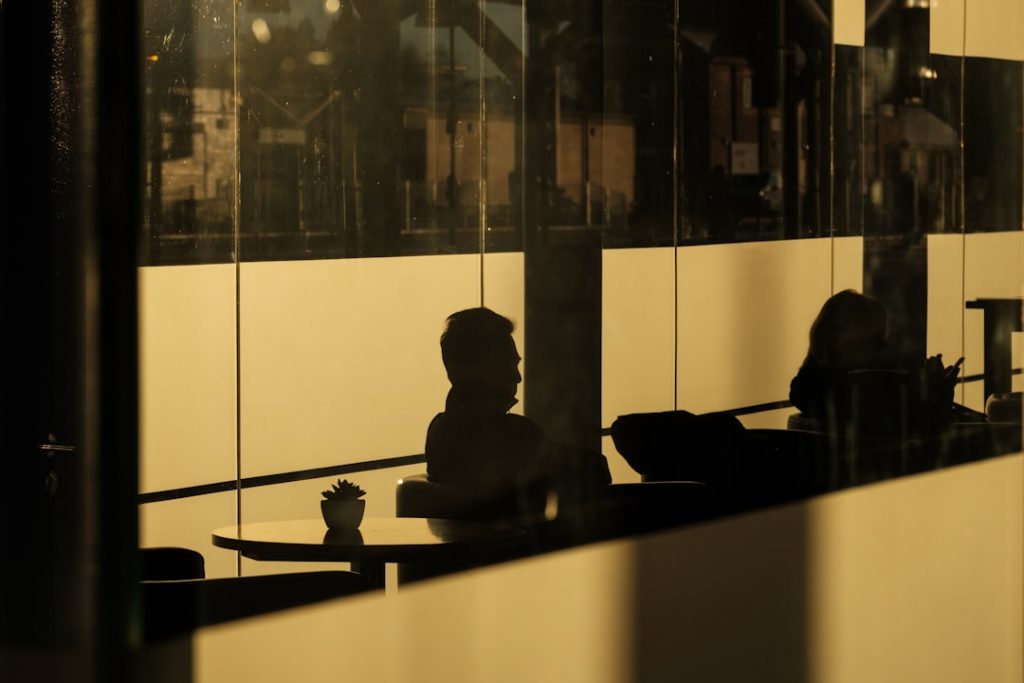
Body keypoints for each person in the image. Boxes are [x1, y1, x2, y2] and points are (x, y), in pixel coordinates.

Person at [425, 308, 611, 511]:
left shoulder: (439, 431)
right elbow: (594, 470)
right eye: (505, 365)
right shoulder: (512, 435)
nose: (517, 377)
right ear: (471, 370)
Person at [789, 289, 962, 434]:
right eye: (874, 337)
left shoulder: (807, 387)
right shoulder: (868, 390)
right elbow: (919, 427)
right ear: (842, 340)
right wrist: (936, 393)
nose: (883, 345)